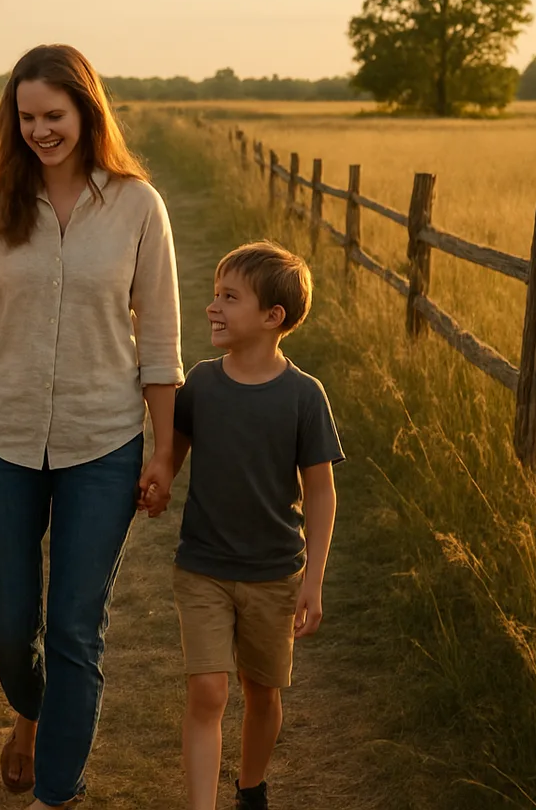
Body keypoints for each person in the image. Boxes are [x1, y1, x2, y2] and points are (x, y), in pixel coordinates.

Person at [0, 44, 183, 809]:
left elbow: (161, 341)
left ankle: (56, 793)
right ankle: (32, 719)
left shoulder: (138, 206)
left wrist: (164, 450)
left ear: (87, 112)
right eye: (27, 116)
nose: (40, 130)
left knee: (74, 626)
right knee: (9, 625)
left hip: (103, 444)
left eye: (54, 115)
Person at [145, 241, 342, 810]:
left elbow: (322, 493)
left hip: (274, 574)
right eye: (214, 294)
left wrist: (313, 581)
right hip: (202, 566)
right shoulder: (201, 384)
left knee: (262, 694)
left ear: (271, 318)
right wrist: (156, 483)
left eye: (229, 298)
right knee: (208, 691)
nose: (213, 307)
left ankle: (250, 790)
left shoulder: (305, 397)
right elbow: (171, 452)